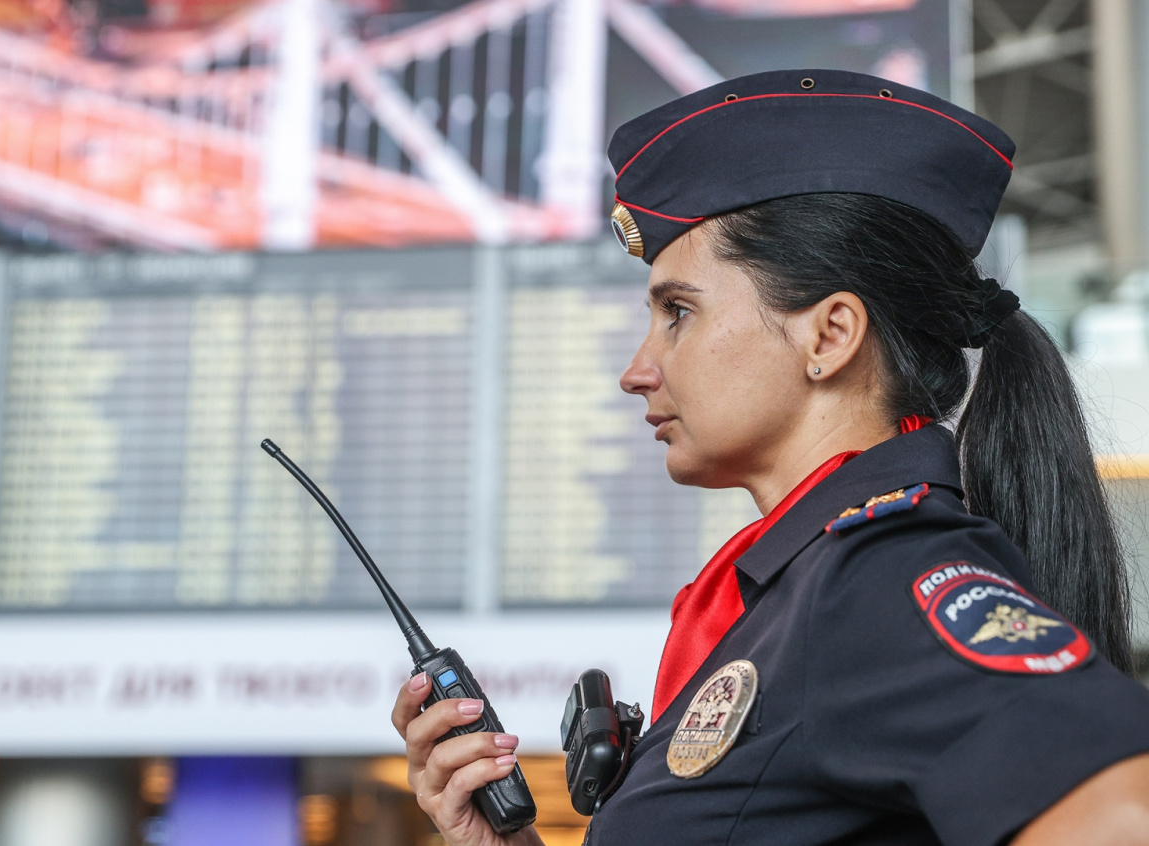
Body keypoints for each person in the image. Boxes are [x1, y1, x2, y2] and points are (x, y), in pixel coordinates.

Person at [391, 69, 1149, 845]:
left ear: (830, 336)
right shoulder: (800, 592)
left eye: (678, 312)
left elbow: (1126, 813)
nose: (637, 370)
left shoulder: (878, 575)